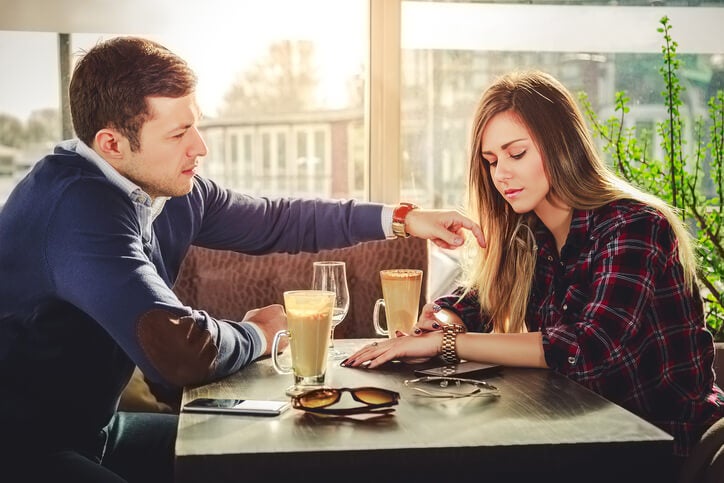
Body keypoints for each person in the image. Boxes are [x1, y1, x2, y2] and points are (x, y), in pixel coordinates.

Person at [0, 36, 485, 483]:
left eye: (197, 125)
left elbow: (279, 220)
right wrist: (261, 334)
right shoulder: (76, 208)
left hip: (97, 432)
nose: (200, 147)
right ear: (111, 144)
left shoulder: (163, 189)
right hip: (25, 449)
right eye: (178, 134)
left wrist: (405, 218)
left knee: (270, 461)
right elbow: (178, 352)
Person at [343, 70, 724, 464]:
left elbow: (587, 349)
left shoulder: (635, 226)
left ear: (561, 146)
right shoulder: (529, 233)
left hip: (670, 449)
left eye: (516, 153)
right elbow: (477, 301)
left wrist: (446, 343)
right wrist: (444, 317)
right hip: (584, 436)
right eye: (491, 161)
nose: (501, 174)